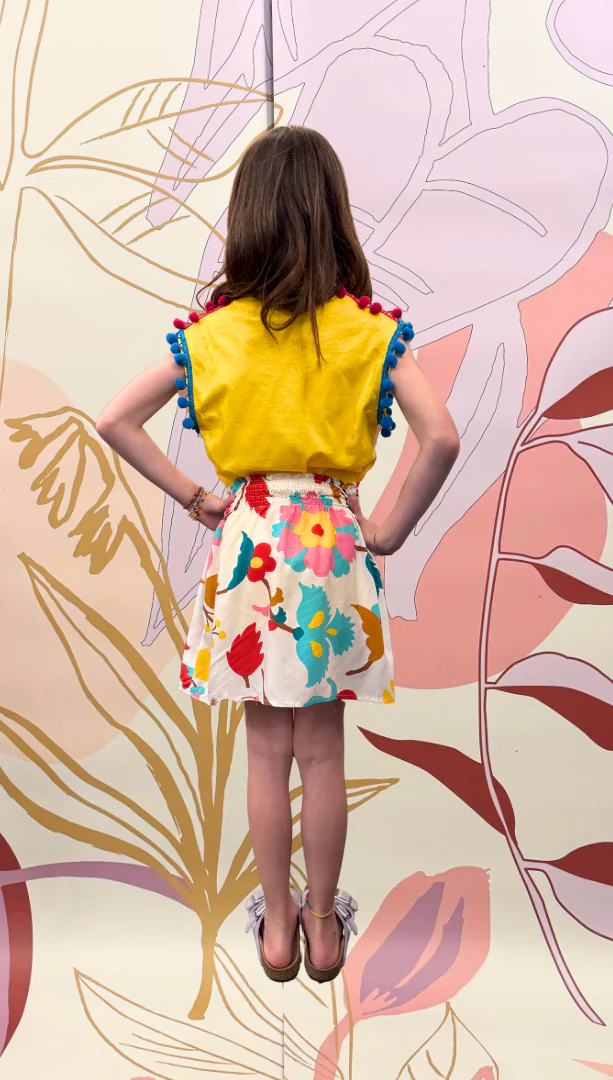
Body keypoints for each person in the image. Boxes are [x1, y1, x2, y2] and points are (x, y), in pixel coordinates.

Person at [95, 126, 460, 984]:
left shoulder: (211, 335)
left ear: (247, 215)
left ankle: (274, 930)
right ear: (333, 214)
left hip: (251, 543)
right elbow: (441, 436)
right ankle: (324, 928)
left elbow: (114, 419)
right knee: (322, 751)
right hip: (331, 541)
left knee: (265, 752)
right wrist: (389, 529)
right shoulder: (369, 332)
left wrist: (197, 499)